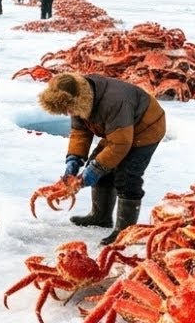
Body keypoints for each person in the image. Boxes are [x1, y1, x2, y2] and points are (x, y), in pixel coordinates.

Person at [38, 72, 166, 245]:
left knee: (127, 176)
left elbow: (120, 144)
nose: (68, 113)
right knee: (98, 163)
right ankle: (101, 216)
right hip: (118, 130)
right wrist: (73, 161)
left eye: (69, 109)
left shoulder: (114, 101)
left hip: (147, 127)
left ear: (78, 100)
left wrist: (95, 170)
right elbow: (80, 132)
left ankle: (125, 232)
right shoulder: (77, 97)